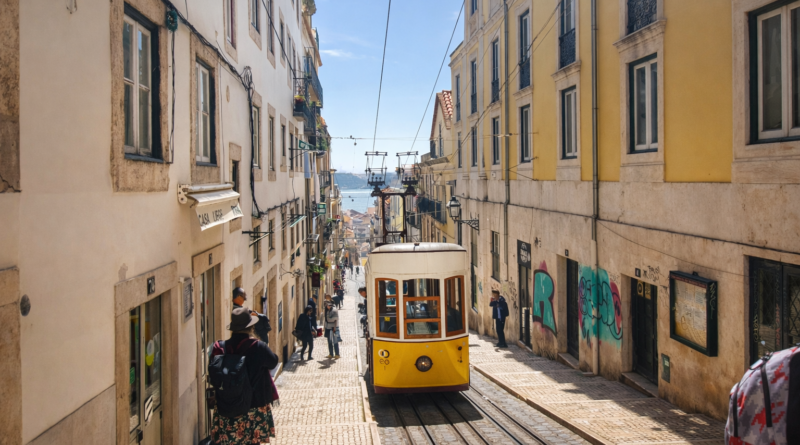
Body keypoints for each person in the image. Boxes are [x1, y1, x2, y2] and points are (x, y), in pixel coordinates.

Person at [210, 307, 279, 444]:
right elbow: (273, 362)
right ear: (251, 327)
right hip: (253, 406)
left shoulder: (221, 347)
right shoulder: (258, 347)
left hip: (227, 405)